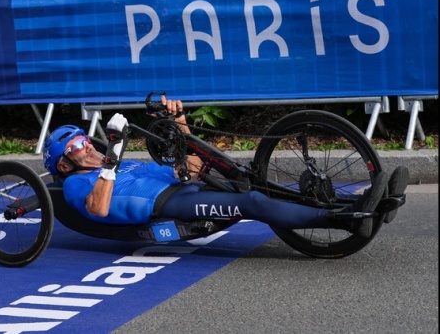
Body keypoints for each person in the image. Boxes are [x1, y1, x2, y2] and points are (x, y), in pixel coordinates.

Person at [42, 96, 407, 239]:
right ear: (63, 162)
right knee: (252, 203)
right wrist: (110, 160)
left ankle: (358, 201)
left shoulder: (125, 165)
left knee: (252, 181)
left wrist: (180, 123)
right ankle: (348, 220)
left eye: (86, 138)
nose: (87, 144)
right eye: (76, 145)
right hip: (171, 206)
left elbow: (190, 168)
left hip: (187, 188)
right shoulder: (77, 185)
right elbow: (99, 209)